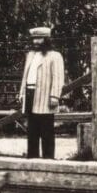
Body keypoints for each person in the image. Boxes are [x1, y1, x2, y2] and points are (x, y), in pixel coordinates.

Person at [18, 26, 65, 159]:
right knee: (32, 129)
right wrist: (22, 93)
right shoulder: (30, 55)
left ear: (47, 39)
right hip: (30, 94)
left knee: (46, 129)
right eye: (34, 39)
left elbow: (58, 77)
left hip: (45, 96)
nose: (36, 42)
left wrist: (55, 95)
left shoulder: (55, 56)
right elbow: (25, 76)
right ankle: (32, 157)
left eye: (39, 39)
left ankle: (48, 158)